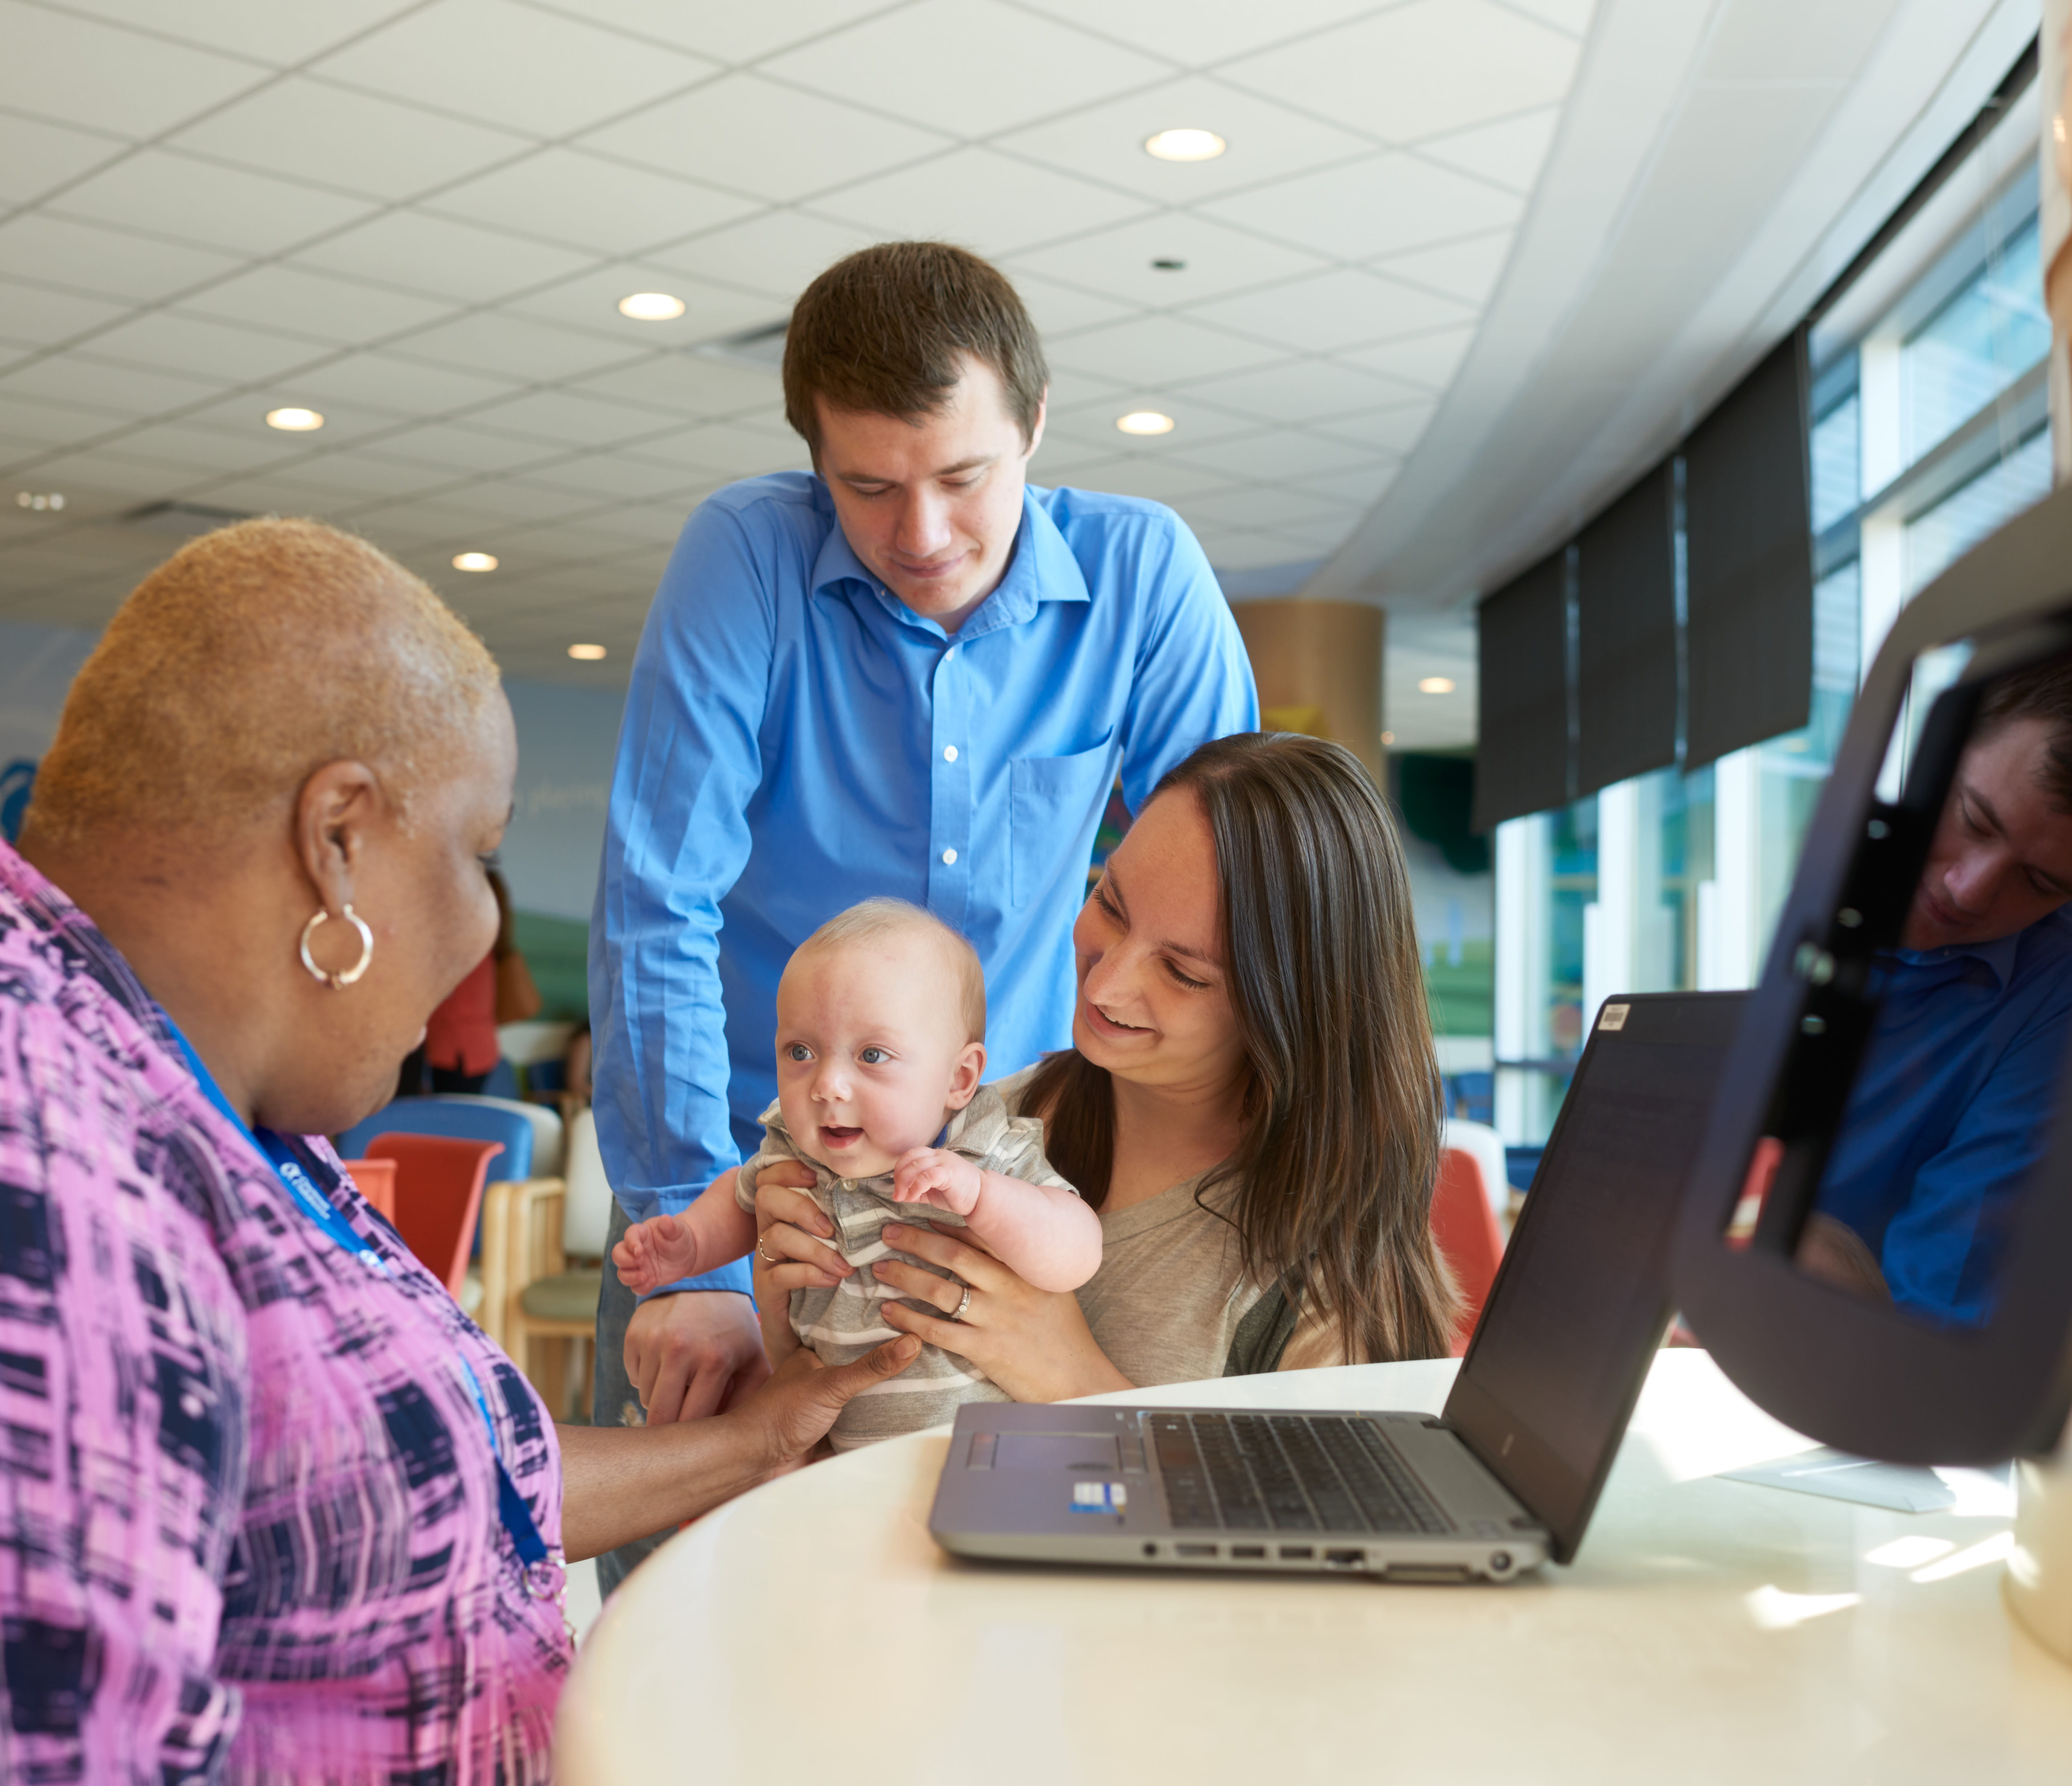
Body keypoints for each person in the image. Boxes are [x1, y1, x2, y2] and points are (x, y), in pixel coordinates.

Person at [0, 520, 914, 1781]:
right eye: (478, 854)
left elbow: (412, 1484)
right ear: (338, 840)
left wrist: (757, 1442)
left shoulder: (173, 1081)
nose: (479, 930)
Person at [588, 243, 1256, 1585]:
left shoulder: (1139, 576)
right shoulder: (750, 555)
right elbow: (658, 903)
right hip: (747, 1183)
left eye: (965, 477)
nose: (922, 534)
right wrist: (689, 1267)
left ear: (1036, 428)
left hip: (1016, 1197)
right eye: (868, 488)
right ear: (813, 463)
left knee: (1004, 1610)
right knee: (699, 1625)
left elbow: (1249, 895)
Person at [752, 733, 1458, 1395]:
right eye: (1110, 904)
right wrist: (790, 1316)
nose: (1104, 984)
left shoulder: (1325, 1292)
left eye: (1182, 972)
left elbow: (1317, 1520)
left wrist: (1072, 1376)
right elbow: (821, 1412)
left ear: (1293, 1010)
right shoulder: (971, 1122)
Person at [613, 898, 1099, 1450]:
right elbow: (741, 1199)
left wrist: (984, 1197)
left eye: (872, 1055)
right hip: (836, 1453)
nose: (828, 1086)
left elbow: (1078, 1253)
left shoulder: (987, 1151)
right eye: (801, 1051)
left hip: (981, 1451)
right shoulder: (794, 1150)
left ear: (959, 1079)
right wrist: (690, 1246)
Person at [1801, 640, 2072, 1324]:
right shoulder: (1815, 864)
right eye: (1974, 818)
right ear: (1938, 756)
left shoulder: (2069, 998)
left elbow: (1938, 1316)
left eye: (2040, 883)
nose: (1969, 891)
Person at [407, 862, 542, 1095]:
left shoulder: (462, 945)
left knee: (450, 1120)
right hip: (477, 1050)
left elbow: (445, 1003)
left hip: (455, 1050)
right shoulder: (489, 946)